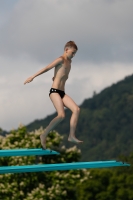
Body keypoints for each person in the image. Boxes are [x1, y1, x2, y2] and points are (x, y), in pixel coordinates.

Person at [24, 41, 83, 149]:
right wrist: (33, 76)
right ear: (66, 50)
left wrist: (55, 77)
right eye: (73, 53)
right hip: (54, 91)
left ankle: (71, 136)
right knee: (61, 115)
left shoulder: (69, 63)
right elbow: (47, 68)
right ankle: (44, 135)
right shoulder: (60, 59)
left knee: (76, 109)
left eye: (75, 54)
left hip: (62, 92)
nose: (73, 55)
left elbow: (60, 74)